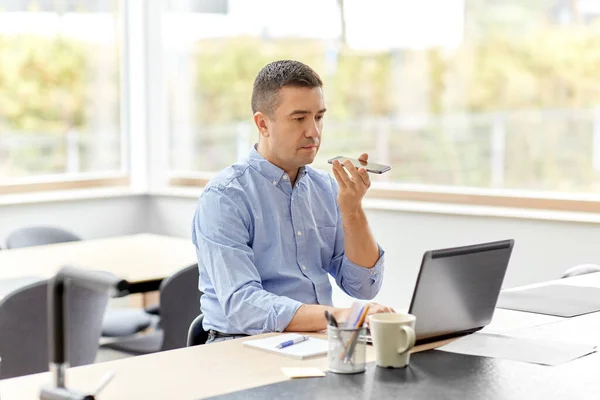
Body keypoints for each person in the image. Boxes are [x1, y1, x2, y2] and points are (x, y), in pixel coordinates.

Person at [192, 60, 394, 344]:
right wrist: (342, 316)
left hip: (317, 340)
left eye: (319, 117)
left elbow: (363, 287)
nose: (314, 131)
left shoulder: (324, 188)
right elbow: (243, 306)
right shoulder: (225, 198)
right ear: (263, 124)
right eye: (299, 119)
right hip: (241, 344)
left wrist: (353, 210)